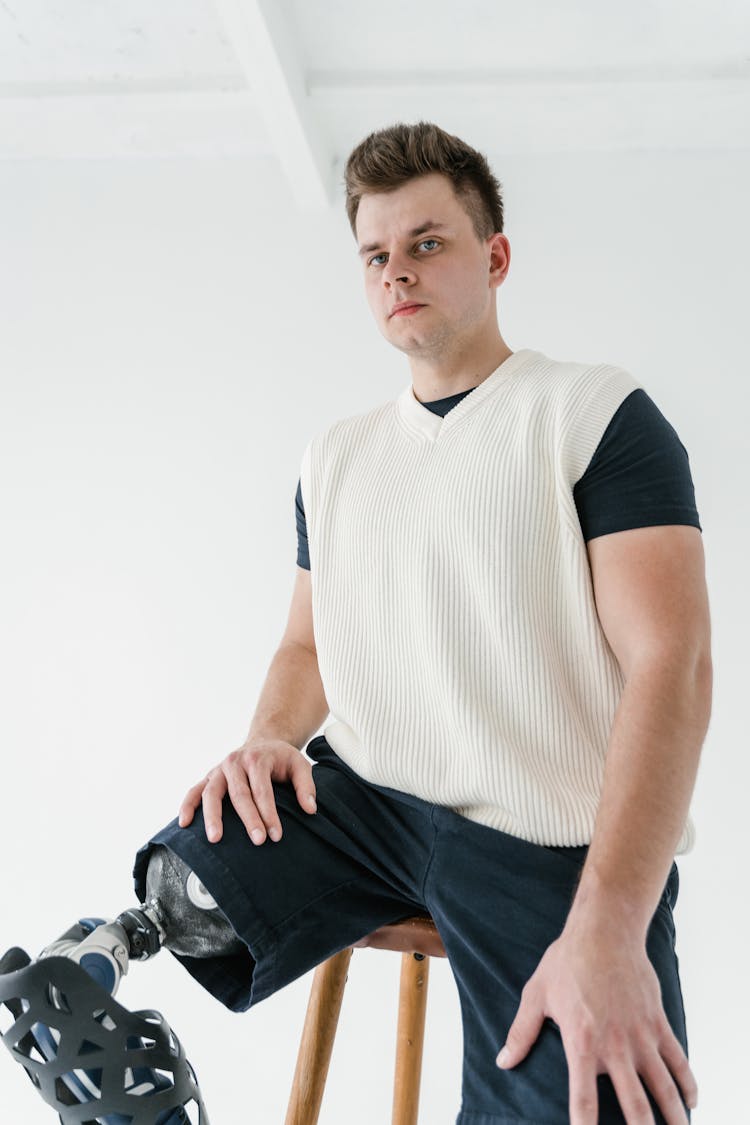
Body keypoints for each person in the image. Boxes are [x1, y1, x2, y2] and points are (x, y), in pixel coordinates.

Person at [0, 121, 712, 1125]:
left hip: (535, 834)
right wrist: (269, 737)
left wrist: (611, 923)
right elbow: (306, 643)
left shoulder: (593, 414)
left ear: (494, 257)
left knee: (603, 1097)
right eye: (375, 255)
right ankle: (108, 970)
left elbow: (670, 667)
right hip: (367, 801)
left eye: (427, 243)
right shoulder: (334, 457)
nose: (396, 273)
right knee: (189, 877)